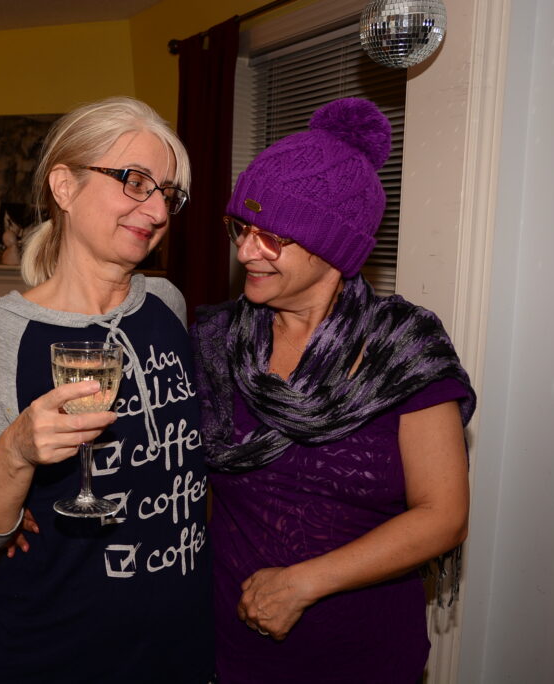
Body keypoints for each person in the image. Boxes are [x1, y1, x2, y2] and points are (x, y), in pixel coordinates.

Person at [190, 98, 476, 683]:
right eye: (241, 228)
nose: (245, 251)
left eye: (271, 236)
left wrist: (303, 584)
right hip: (231, 653)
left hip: (366, 658)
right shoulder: (214, 340)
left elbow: (443, 515)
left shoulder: (402, 347)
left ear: (333, 247)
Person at [0, 96, 214, 683]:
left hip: (178, 646)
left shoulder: (166, 304)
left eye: (167, 193)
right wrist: (15, 454)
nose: (157, 210)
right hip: (55, 652)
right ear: (64, 187)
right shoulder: (2, 333)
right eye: (135, 181)